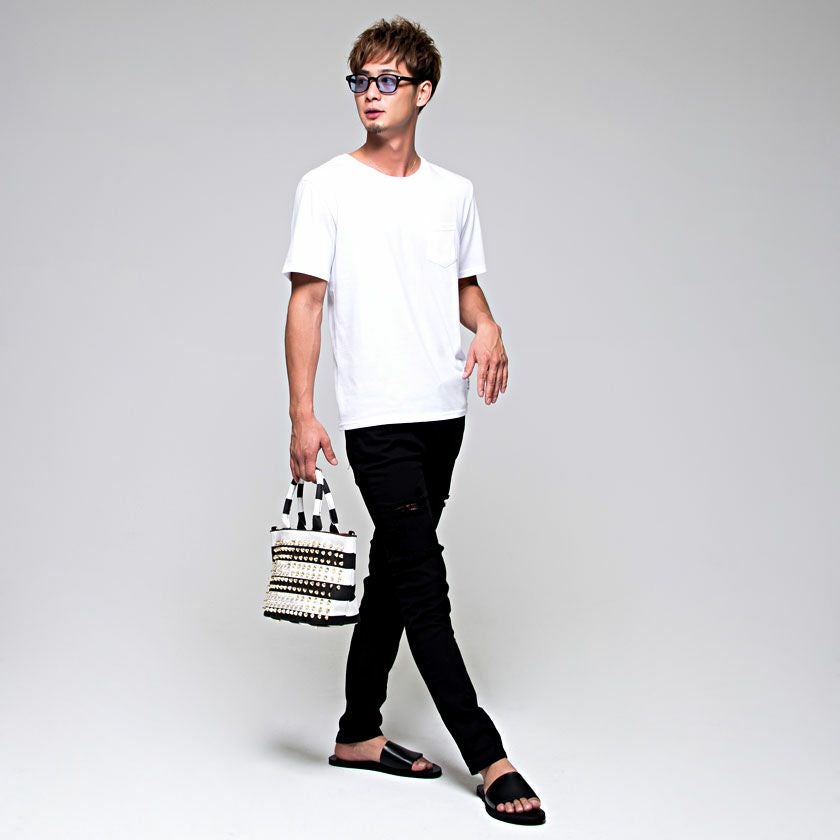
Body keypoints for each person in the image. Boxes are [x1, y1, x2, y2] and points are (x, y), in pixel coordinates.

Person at [280, 16, 545, 827]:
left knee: (396, 575)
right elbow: (307, 300)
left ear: (423, 92)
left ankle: (358, 733)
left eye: (388, 80)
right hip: (376, 416)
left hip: (443, 411)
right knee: (424, 585)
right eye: (361, 79)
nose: (371, 93)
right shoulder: (326, 186)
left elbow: (462, 287)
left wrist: (489, 326)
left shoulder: (453, 193)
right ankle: (490, 756)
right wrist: (302, 412)